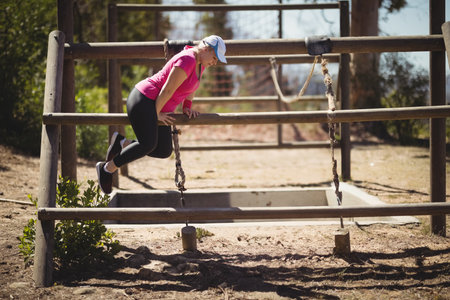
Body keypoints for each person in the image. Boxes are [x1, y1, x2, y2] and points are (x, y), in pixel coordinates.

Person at [96, 35, 227, 194]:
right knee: (147, 144)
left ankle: (121, 142)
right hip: (145, 99)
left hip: (160, 106)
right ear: (206, 48)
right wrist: (155, 113)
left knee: (164, 150)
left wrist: (187, 106)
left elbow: (192, 86)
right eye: (214, 57)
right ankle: (107, 168)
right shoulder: (188, 60)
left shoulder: (201, 63)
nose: (215, 62)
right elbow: (167, 89)